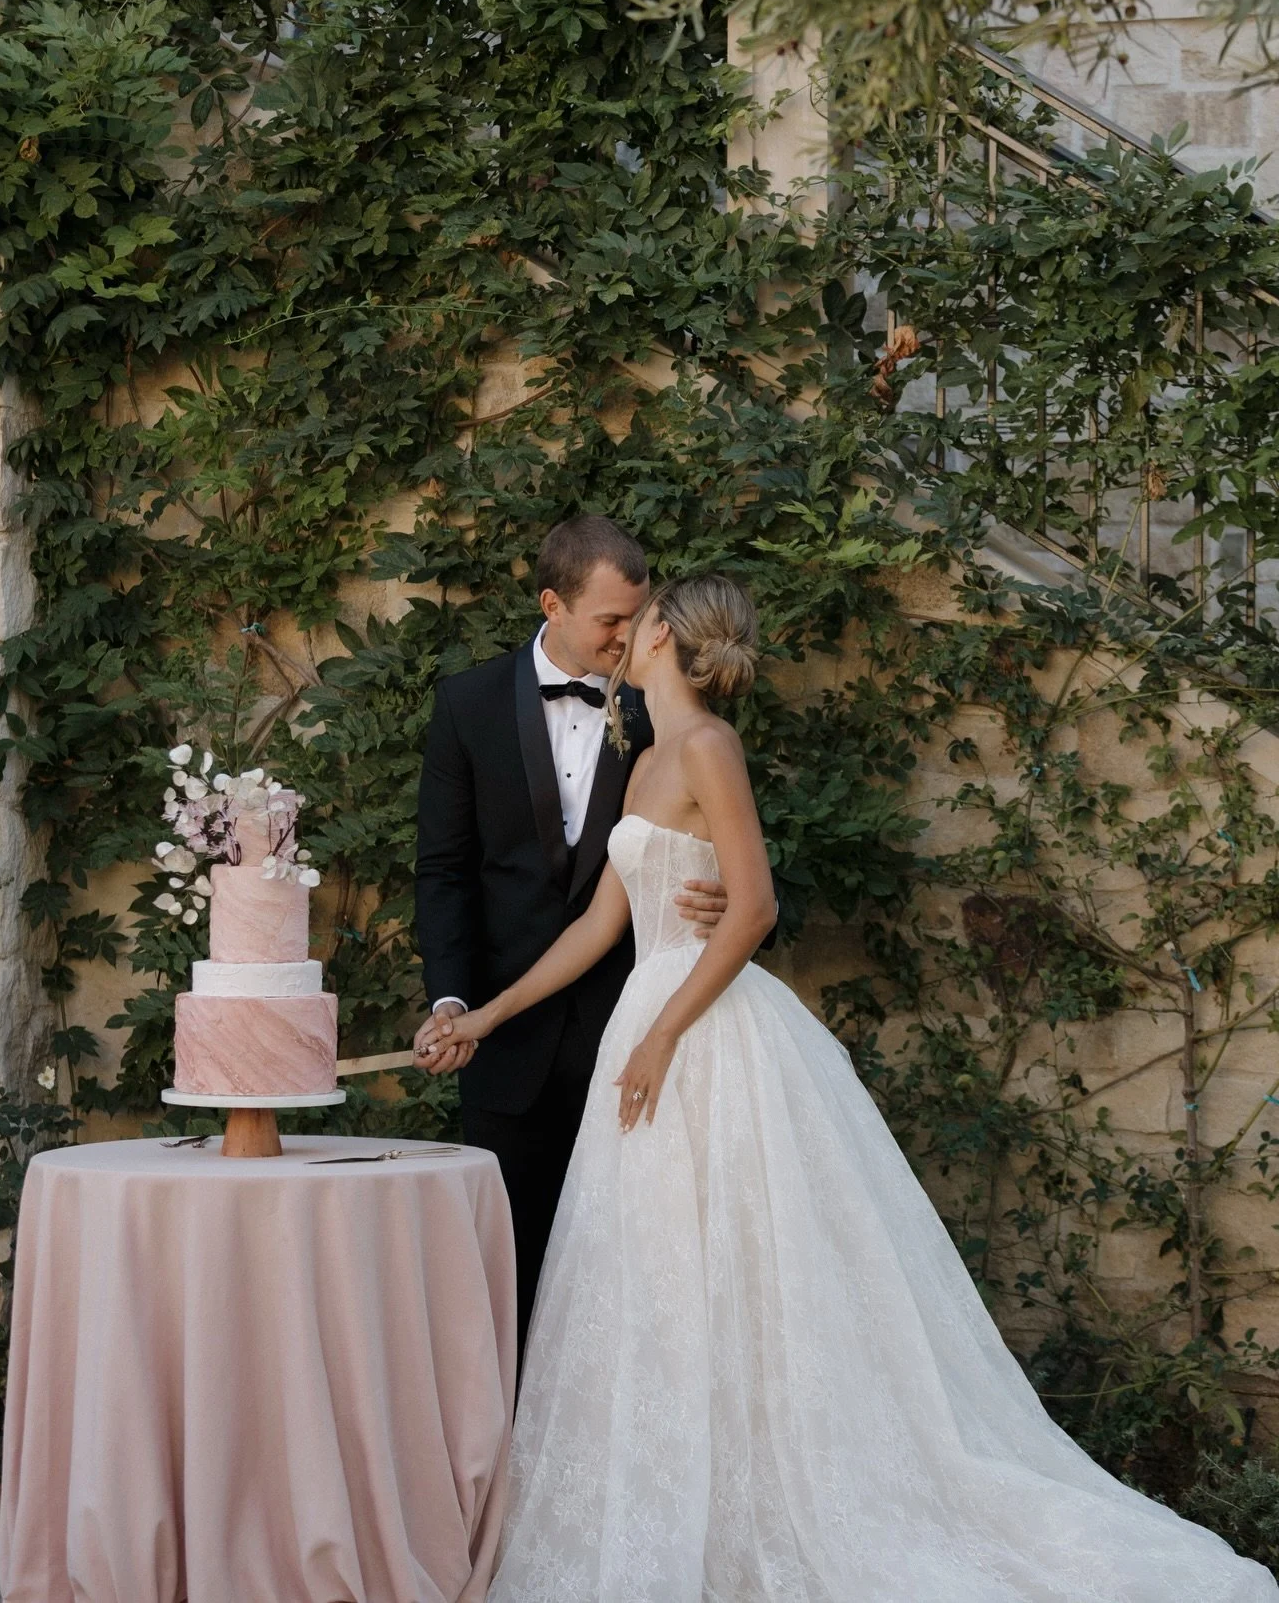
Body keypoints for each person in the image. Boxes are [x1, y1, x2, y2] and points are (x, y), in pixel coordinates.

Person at [425, 575, 1278, 1603]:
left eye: (641, 615)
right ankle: (675, 1508)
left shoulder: (709, 749)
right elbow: (596, 926)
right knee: (652, 1280)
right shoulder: (644, 755)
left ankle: (782, 1504)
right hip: (644, 1033)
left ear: (663, 637)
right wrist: (485, 1012)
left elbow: (751, 909)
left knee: (741, 1276)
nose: (627, 627)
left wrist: (659, 1033)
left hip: (700, 1032)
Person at [412, 516, 729, 1351]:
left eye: (637, 616)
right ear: (552, 603)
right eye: (609, 620)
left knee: (632, 1281)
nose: (629, 636)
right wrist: (456, 1002)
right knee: (505, 1281)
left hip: (633, 1042)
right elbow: (442, 873)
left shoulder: (668, 711)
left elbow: (725, 857)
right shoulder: (468, 703)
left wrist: (727, 903)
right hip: (504, 1043)